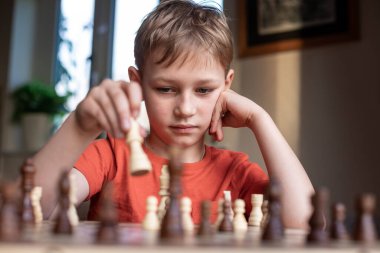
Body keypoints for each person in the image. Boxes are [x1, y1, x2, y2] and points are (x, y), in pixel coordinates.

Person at [33, 0, 314, 228]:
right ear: (138, 83)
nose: (185, 109)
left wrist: (259, 119)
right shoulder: (110, 157)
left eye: (204, 90)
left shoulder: (234, 171)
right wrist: (80, 125)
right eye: (166, 89)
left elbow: (305, 222)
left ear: (226, 87)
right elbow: (35, 210)